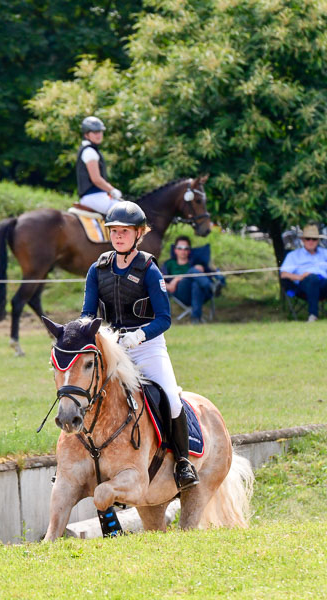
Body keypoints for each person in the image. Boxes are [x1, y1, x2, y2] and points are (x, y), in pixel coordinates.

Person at [81, 201, 199, 491]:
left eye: (125, 231)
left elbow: (165, 318)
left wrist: (140, 335)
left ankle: (183, 462)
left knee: (171, 396)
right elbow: (87, 313)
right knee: (86, 394)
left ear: (138, 233)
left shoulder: (148, 269)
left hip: (147, 345)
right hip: (112, 347)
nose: (118, 236)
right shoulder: (98, 269)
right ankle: (79, 460)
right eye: (114, 231)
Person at [280, 224, 327, 321]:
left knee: (317, 280)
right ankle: (313, 315)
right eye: (308, 239)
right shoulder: (293, 255)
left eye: (314, 239)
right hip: (303, 285)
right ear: (303, 240)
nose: (311, 241)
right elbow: (284, 274)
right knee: (312, 279)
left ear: (318, 241)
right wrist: (300, 277)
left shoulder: (324, 253)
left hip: (323, 284)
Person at [76, 116, 122, 215]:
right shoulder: (89, 152)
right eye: (95, 132)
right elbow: (96, 179)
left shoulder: (92, 150)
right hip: (93, 197)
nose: (99, 135)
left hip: (98, 197)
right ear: (86, 135)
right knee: (124, 213)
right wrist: (112, 190)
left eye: (100, 132)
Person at [164, 235, 215, 324]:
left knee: (196, 284)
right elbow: (159, 280)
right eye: (180, 248)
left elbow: (209, 273)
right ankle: (211, 287)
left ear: (189, 251)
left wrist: (201, 268)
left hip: (200, 293)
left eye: (186, 248)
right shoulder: (169, 264)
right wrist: (173, 283)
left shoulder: (195, 262)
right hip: (181, 293)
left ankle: (195, 318)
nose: (183, 251)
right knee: (192, 271)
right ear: (175, 250)